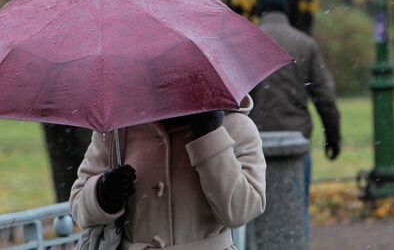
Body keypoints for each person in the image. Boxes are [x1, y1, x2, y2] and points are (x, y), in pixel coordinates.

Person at [69, 95, 266, 250]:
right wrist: (103, 194)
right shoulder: (117, 130)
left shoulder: (236, 126)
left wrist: (210, 134)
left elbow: (241, 211)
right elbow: (78, 205)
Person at [249, 0, 341, 239]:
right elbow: (325, 97)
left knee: (253, 211)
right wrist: (333, 136)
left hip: (254, 141)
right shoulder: (305, 44)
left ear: (260, 12)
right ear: (286, 12)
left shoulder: (248, 41)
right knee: (295, 208)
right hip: (295, 139)